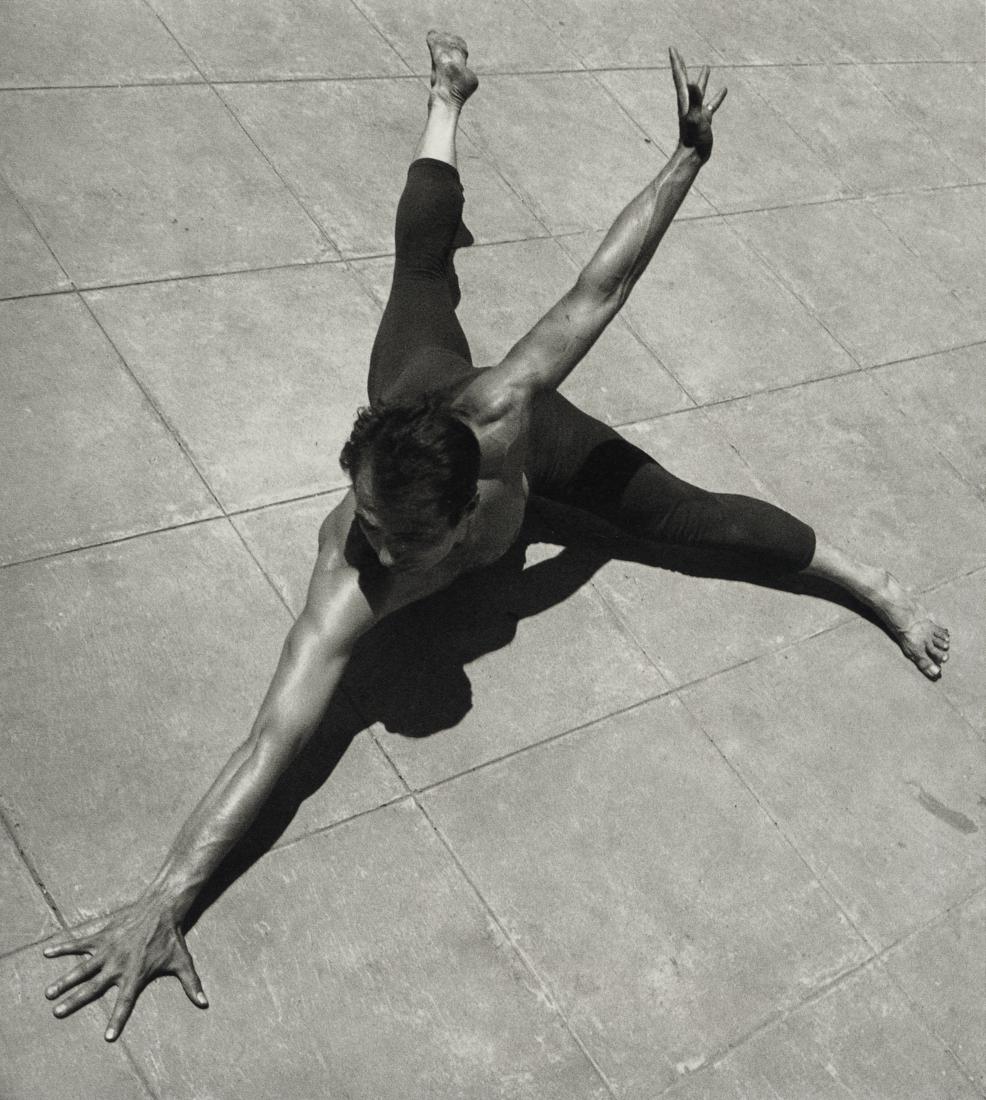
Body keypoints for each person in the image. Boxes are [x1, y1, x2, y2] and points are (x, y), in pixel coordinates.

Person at [42, 32, 949, 1041]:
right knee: (420, 273)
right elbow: (271, 741)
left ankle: (868, 582)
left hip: (518, 455)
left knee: (689, 517)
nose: (362, 542)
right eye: (363, 516)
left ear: (456, 520)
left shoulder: (511, 410)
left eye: (388, 535)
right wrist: (167, 893)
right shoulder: (349, 572)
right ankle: (447, 96)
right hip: (418, 388)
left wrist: (684, 159)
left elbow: (599, 287)